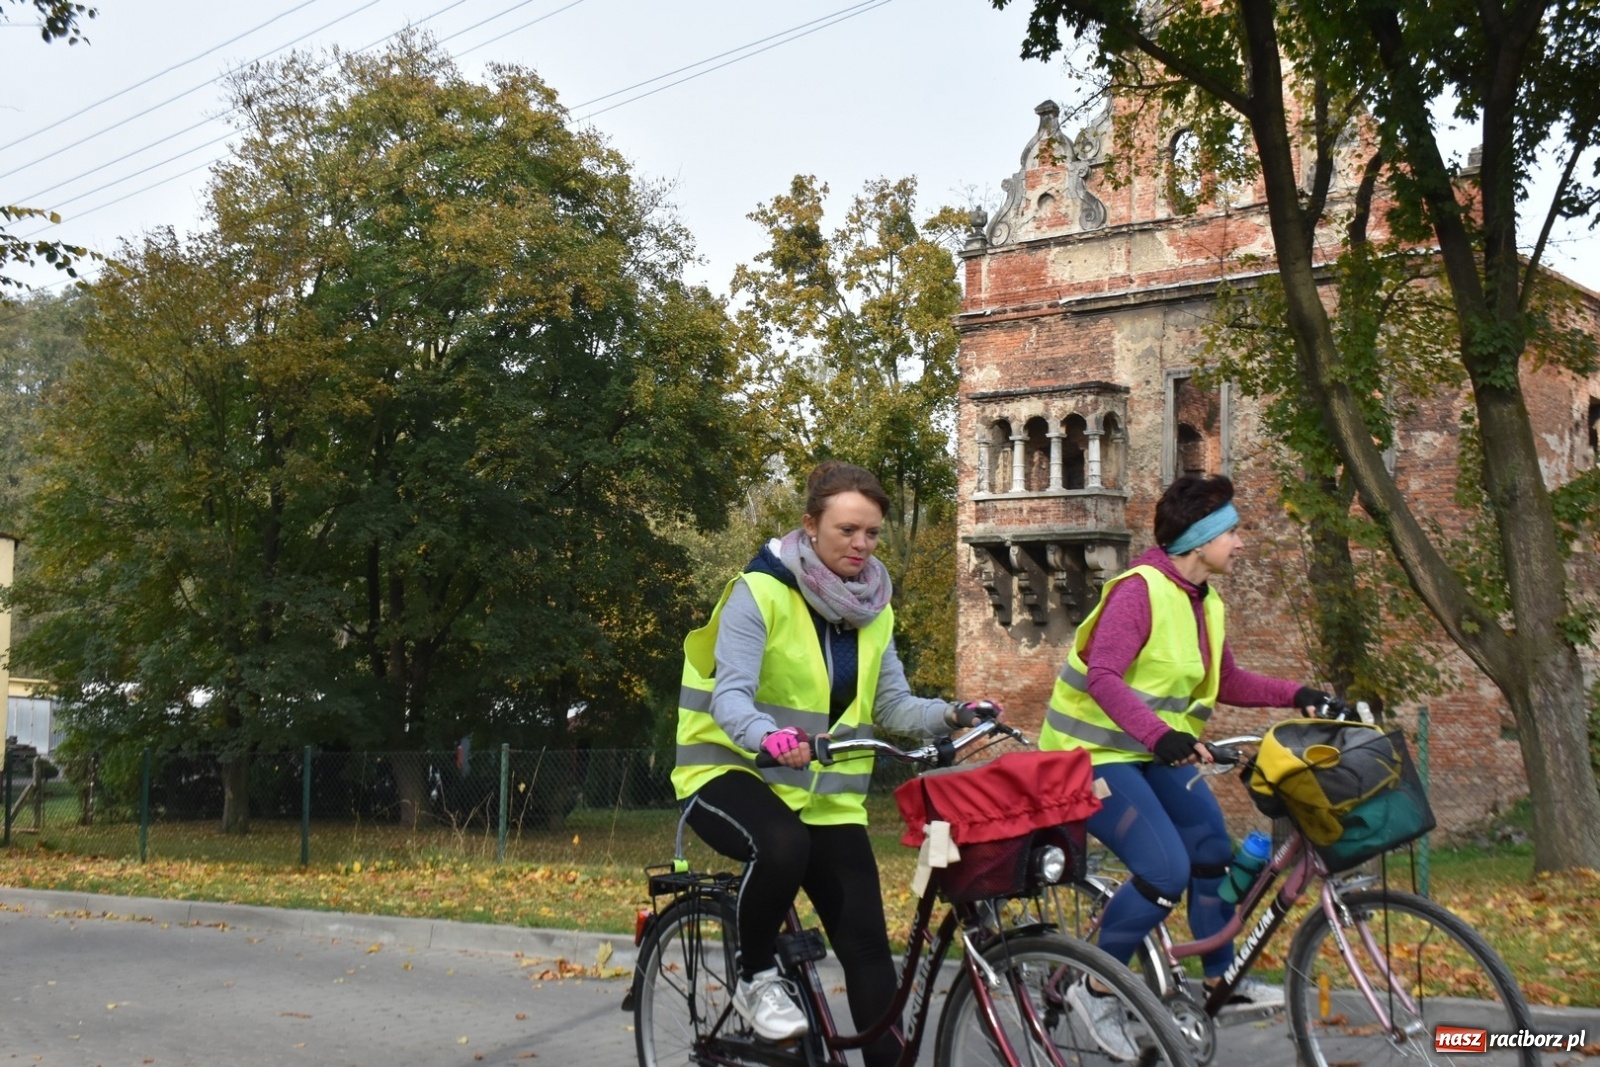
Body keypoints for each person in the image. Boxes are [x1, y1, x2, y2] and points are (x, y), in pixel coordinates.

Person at [672, 460, 1001, 1062]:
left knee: (869, 950)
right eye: (848, 530)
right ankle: (754, 978)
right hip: (727, 770)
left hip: (823, 797)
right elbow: (730, 696)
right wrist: (765, 736)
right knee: (782, 845)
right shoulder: (761, 591)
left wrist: (953, 714)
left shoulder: (874, 609)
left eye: (872, 533)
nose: (862, 545)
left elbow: (895, 706)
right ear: (810, 526)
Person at [1039, 474, 1334, 1058]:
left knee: (1210, 853)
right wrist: (1161, 734)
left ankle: (1220, 978)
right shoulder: (1139, 591)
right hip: (1089, 756)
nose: (1240, 542)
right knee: (1165, 871)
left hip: (1150, 752)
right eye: (1232, 531)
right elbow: (1102, 677)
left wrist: (1298, 692)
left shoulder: (1205, 600)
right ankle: (1094, 985)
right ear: (1199, 540)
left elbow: (1226, 681)